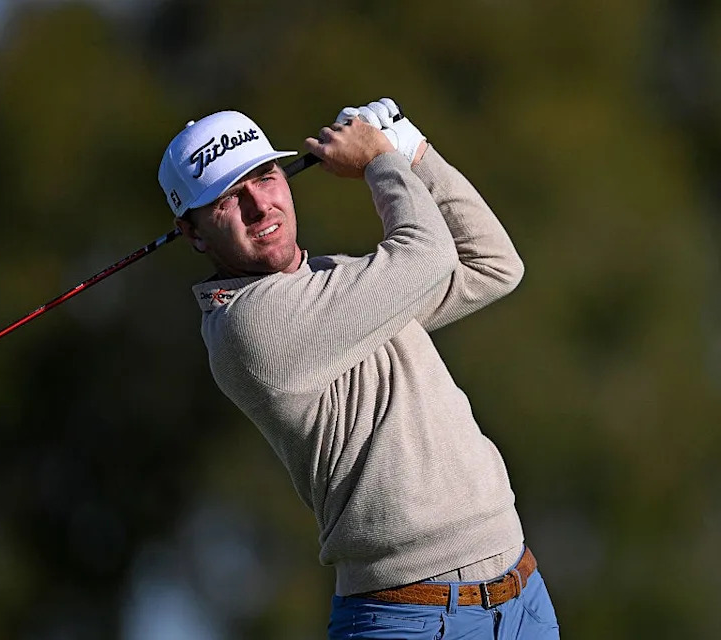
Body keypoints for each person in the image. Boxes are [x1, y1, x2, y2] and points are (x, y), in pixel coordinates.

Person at [157, 100, 560, 639]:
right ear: (194, 233)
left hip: (520, 593)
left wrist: (414, 151)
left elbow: (491, 265)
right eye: (228, 198)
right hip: (411, 617)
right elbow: (427, 255)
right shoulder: (247, 325)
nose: (259, 205)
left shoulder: (338, 279)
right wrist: (380, 161)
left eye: (267, 177)